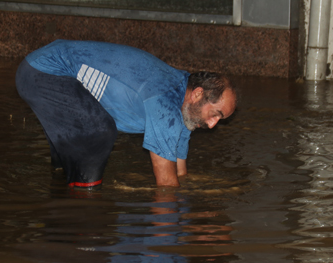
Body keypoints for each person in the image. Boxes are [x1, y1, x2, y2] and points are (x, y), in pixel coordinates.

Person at [15, 40, 236, 190]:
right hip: (43, 73)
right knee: (98, 133)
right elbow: (167, 186)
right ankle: (82, 212)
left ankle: (63, 199)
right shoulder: (165, 103)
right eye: (215, 114)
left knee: (68, 164)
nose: (213, 124)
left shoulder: (184, 105)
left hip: (46, 72)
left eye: (220, 119)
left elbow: (180, 174)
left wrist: (191, 200)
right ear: (198, 94)